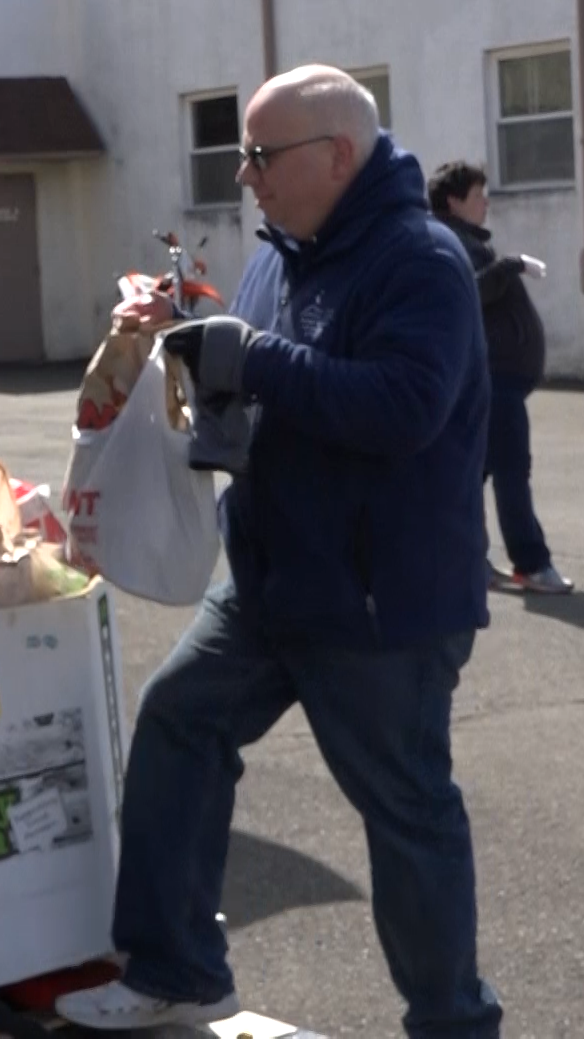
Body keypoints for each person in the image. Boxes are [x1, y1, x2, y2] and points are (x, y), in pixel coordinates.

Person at [54, 65, 502, 1037]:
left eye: (260, 155)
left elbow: (401, 408)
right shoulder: (280, 253)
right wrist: (183, 352)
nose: (245, 175)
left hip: (379, 605)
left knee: (407, 814)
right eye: (241, 155)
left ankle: (453, 1023)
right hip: (269, 579)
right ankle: (177, 965)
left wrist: (240, 354)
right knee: (178, 723)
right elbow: (258, 383)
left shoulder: (421, 261)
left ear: (336, 156)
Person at [427, 160, 574, 595]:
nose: (486, 202)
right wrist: (509, 267)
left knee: (476, 473)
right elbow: (467, 290)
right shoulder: (451, 242)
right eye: (477, 195)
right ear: (453, 201)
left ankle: (465, 559)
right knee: (512, 471)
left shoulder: (463, 240)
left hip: (497, 380)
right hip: (494, 380)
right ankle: (530, 563)